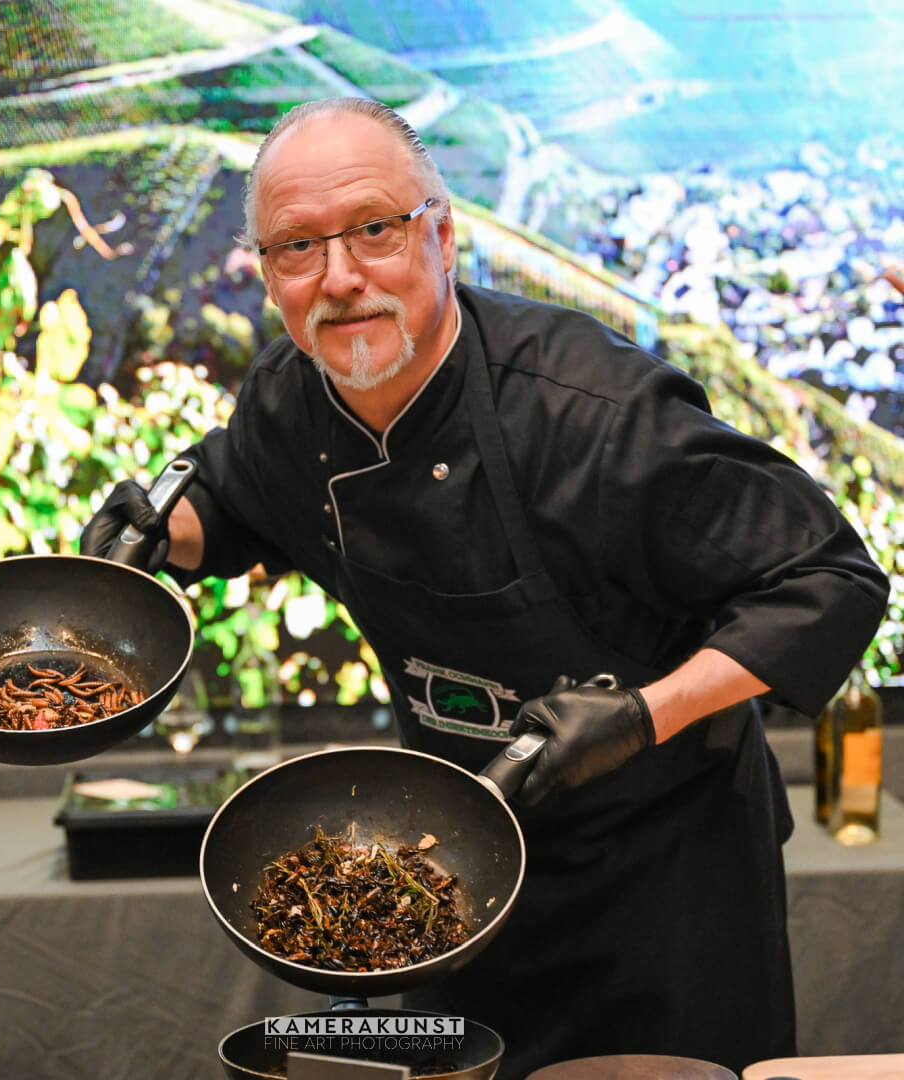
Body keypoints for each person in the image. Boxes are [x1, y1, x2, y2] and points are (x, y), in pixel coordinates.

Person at [81, 98, 889, 1077]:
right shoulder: (291, 399)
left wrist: (643, 714)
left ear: (443, 236)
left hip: (660, 882)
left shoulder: (594, 413)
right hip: (452, 872)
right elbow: (239, 492)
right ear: (267, 272)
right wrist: (161, 530)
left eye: (374, 229)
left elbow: (829, 576)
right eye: (299, 247)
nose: (340, 278)